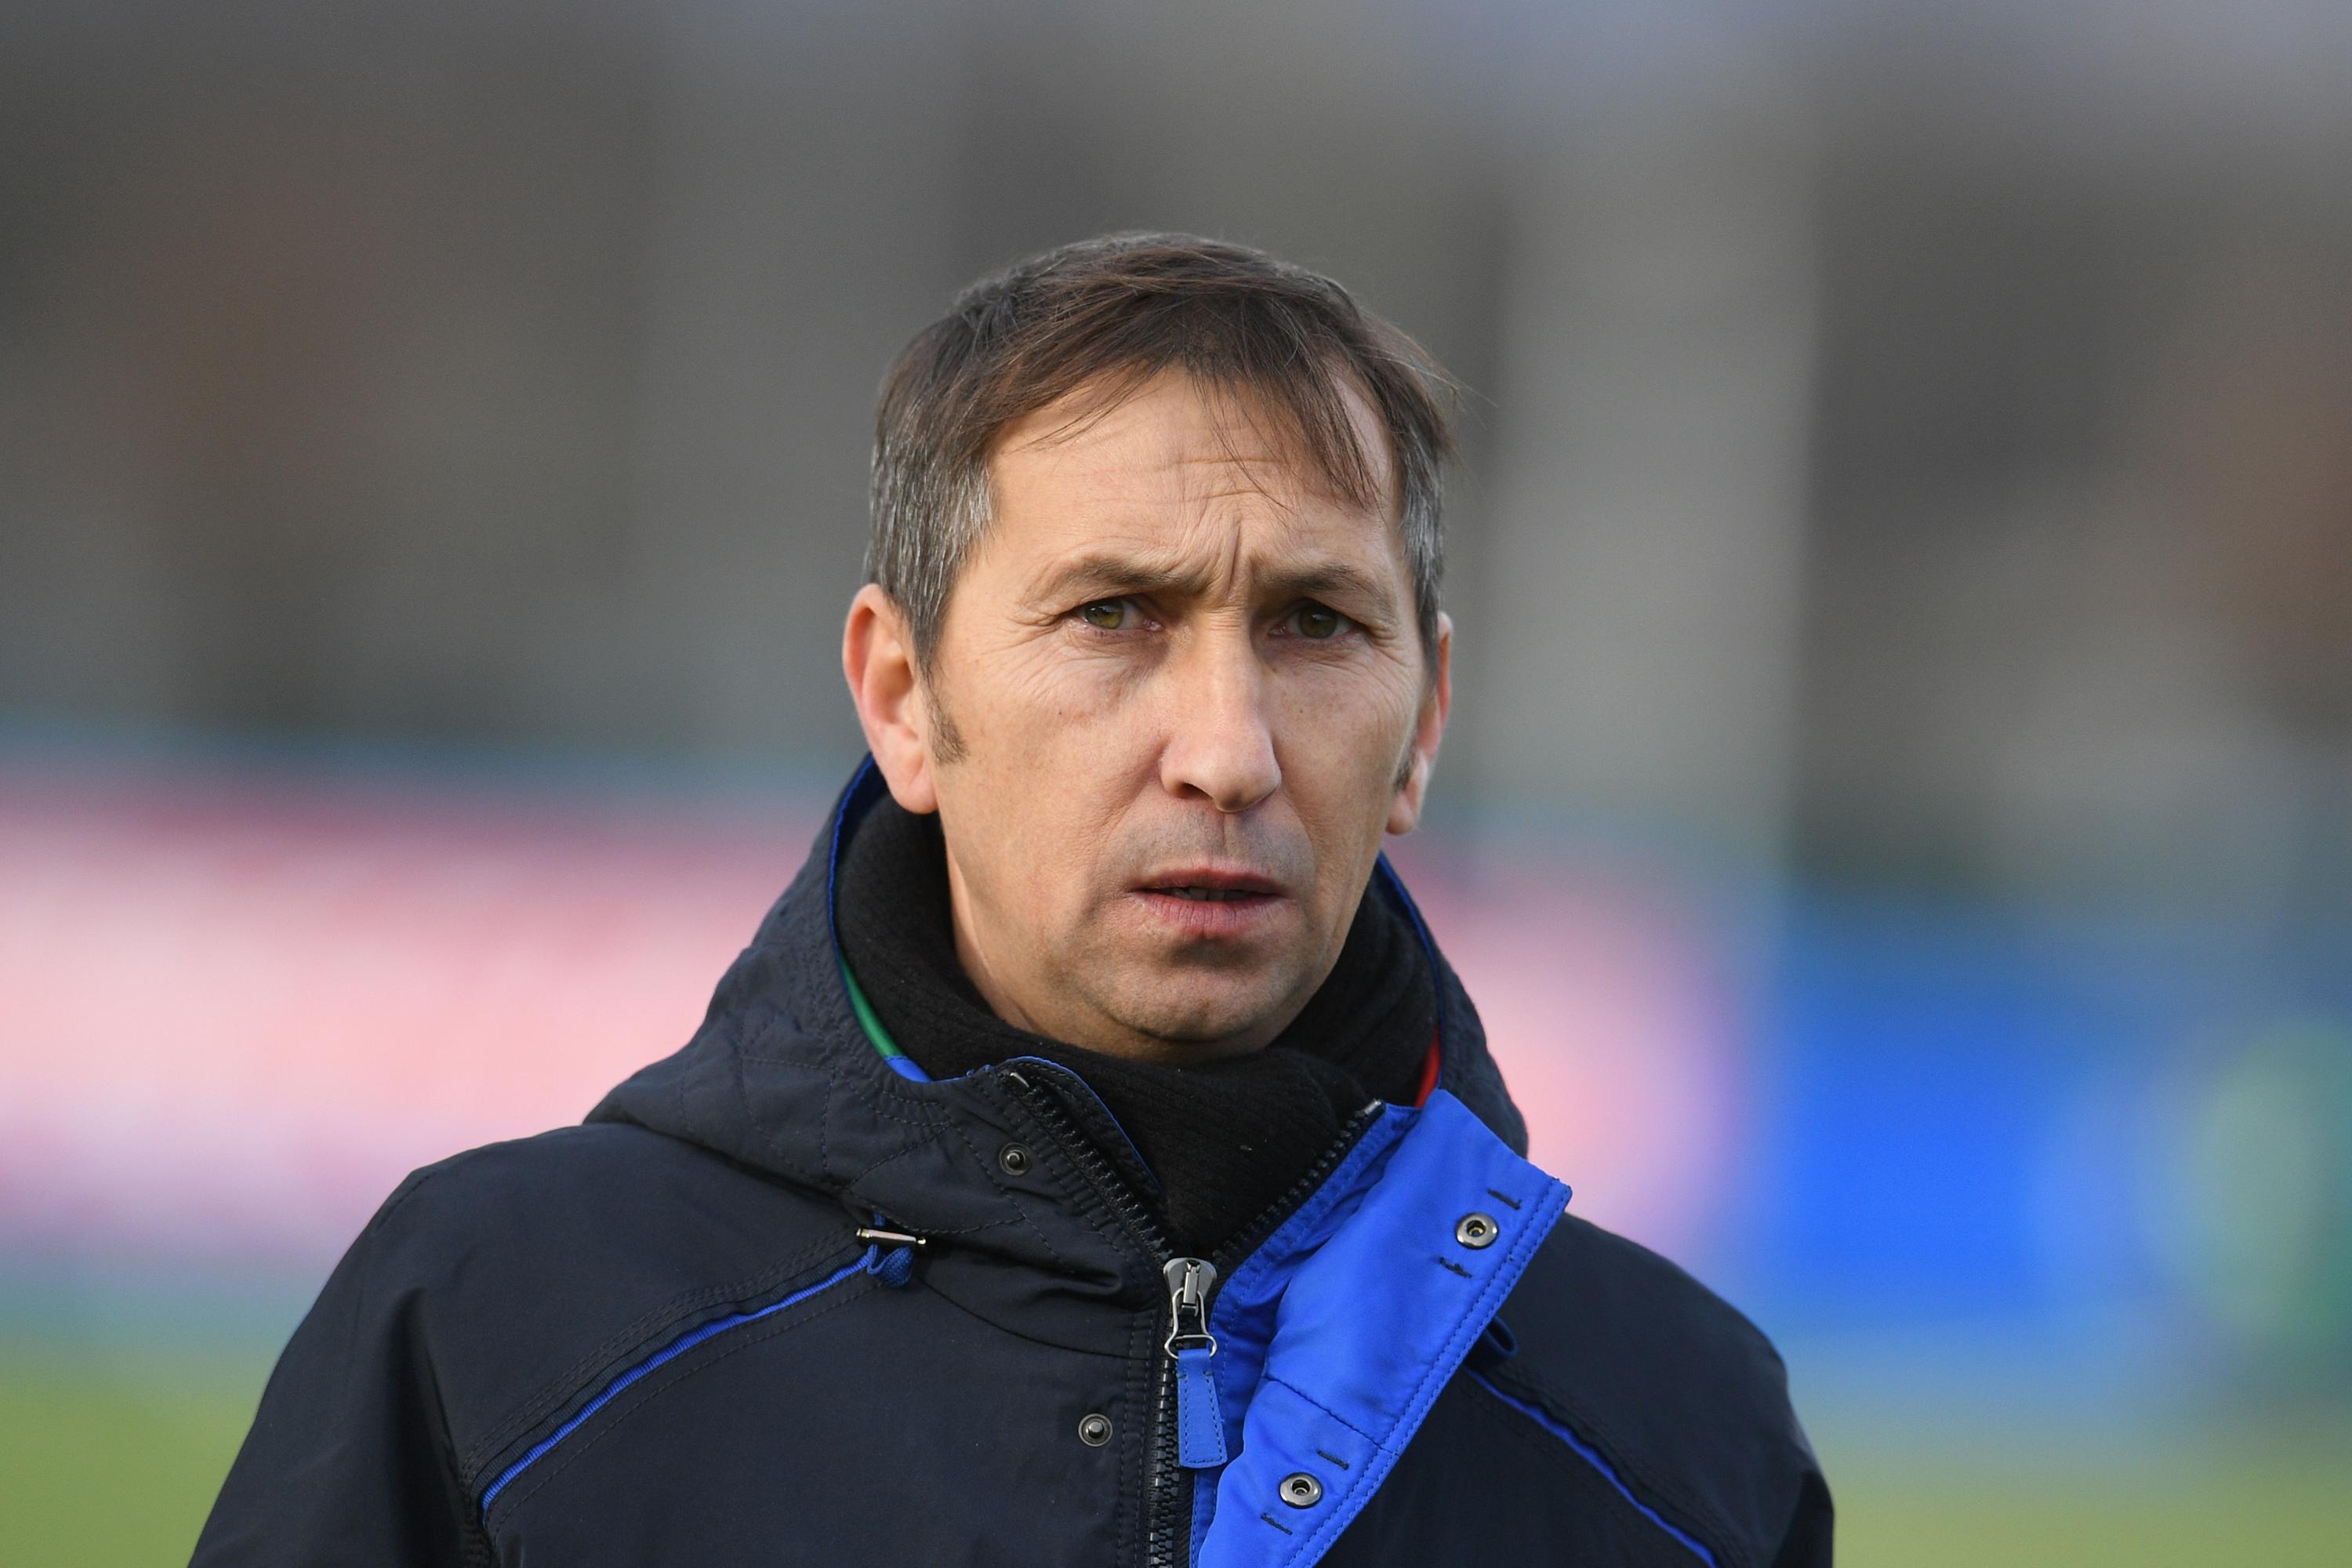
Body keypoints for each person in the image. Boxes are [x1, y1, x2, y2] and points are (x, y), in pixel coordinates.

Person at [194, 233, 1831, 1566]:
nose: (1227, 750)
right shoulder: (501, 1327)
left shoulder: (1679, 1437)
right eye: (1117, 614)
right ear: (903, 695)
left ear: (1427, 724)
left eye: (1318, 625)